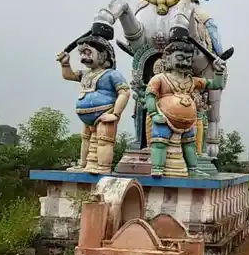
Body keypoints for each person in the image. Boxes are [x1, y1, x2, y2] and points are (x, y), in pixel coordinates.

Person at [145, 39, 224, 177]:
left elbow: (215, 84)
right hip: (164, 118)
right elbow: (150, 96)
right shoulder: (160, 79)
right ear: (168, 59)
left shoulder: (192, 80)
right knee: (159, 142)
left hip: (187, 123)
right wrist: (153, 113)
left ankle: (192, 169)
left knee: (190, 146)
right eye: (180, 58)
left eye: (188, 59)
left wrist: (218, 71)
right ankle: (157, 167)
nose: (185, 63)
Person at [56, 34, 130, 174]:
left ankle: (102, 167)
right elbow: (68, 75)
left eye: (88, 52)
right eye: (82, 53)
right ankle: (84, 164)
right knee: (86, 140)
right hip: (87, 118)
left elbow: (124, 92)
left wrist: (115, 114)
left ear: (103, 54)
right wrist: (65, 63)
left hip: (105, 114)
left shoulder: (111, 74)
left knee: (103, 141)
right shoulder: (85, 74)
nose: (84, 57)